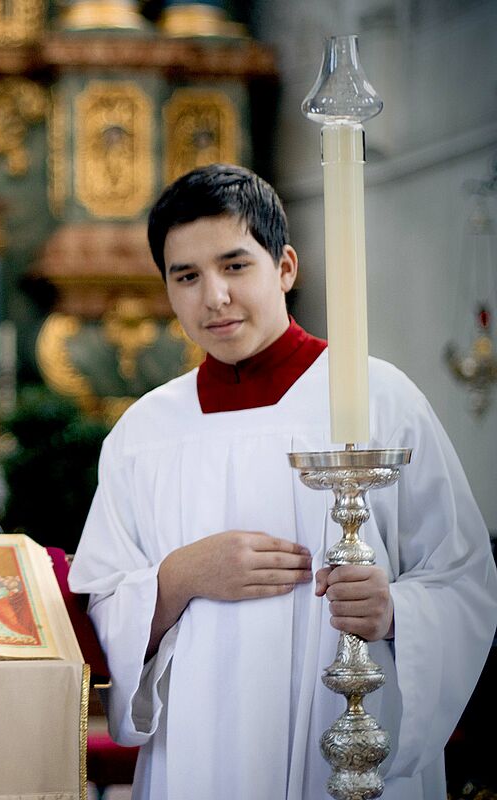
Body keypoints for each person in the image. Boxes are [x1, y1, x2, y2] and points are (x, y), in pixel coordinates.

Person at [68, 164, 497, 799]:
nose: (213, 296)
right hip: (201, 752)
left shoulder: (380, 400)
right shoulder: (143, 434)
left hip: (348, 732)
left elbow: (464, 578)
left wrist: (398, 611)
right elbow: (100, 606)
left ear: (285, 267)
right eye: (186, 276)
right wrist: (180, 578)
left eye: (235, 266)